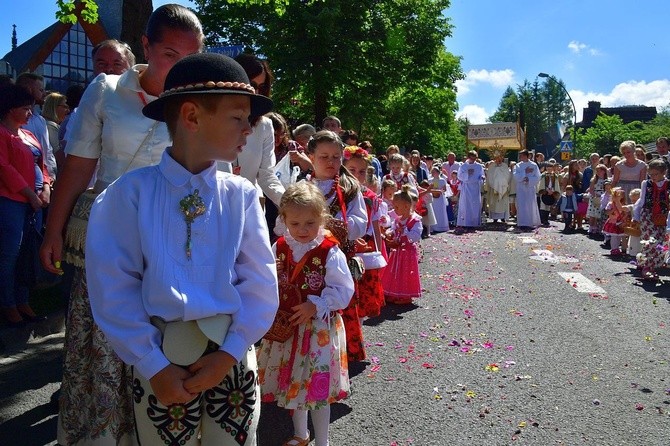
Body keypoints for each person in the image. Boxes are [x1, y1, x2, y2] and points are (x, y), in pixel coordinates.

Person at [86, 52, 277, 445]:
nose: (249, 130)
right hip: (159, 361)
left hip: (231, 358)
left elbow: (259, 281)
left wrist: (230, 353)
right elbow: (113, 286)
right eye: (238, 118)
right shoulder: (128, 196)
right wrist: (152, 363)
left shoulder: (240, 196)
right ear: (191, 117)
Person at [40, 5, 204, 445]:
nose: (181, 65)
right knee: (103, 343)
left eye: (191, 56)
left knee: (165, 341)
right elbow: (78, 166)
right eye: (170, 53)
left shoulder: (200, 99)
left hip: (171, 239)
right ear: (146, 47)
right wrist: (53, 230)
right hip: (110, 235)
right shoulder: (106, 89)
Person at [258, 182, 353, 446]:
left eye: (310, 223)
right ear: (284, 220)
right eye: (296, 223)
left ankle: (323, 441)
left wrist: (317, 304)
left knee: (317, 389)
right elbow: (268, 279)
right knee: (295, 385)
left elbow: (344, 290)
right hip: (288, 328)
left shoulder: (329, 251)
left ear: (321, 219)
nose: (302, 230)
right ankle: (301, 434)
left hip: (317, 331)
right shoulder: (280, 246)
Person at [303, 130, 367, 362]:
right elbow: (284, 222)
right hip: (306, 260)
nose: (331, 162)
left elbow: (361, 222)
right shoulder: (302, 187)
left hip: (337, 259)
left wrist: (340, 227)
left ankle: (338, 358)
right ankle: (306, 357)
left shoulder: (350, 189)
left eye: (336, 157)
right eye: (324, 156)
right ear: (310, 156)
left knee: (339, 305)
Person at [0, 84, 51, 326]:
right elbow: (4, 168)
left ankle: (23, 302)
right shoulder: (1, 134)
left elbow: (42, 165)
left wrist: (46, 188)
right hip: (11, 202)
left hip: (34, 204)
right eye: (25, 108)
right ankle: (8, 305)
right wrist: (30, 193)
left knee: (27, 253)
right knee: (10, 254)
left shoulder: (28, 135)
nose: (30, 113)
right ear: (10, 110)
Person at [217, 53, 284, 211]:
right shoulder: (211, 119)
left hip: (249, 208)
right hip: (214, 205)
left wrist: (290, 202)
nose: (255, 92)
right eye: (251, 84)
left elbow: (266, 175)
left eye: (262, 88)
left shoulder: (265, 126)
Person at [342, 145, 386, 319]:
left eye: (361, 172)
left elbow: (375, 229)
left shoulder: (371, 198)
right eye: (351, 170)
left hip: (364, 250)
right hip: (343, 248)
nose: (356, 176)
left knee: (361, 298)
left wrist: (379, 252)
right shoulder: (338, 193)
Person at [381, 184, 423, 304]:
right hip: (397, 250)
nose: (394, 209)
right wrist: (389, 233)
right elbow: (393, 229)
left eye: (397, 207)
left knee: (405, 273)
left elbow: (415, 236)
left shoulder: (415, 221)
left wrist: (405, 231)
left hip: (407, 252)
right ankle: (393, 292)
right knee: (394, 271)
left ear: (406, 206)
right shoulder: (398, 219)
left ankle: (405, 296)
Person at [632, 159, 669, 281]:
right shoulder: (646, 184)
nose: (652, 177)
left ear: (664, 172)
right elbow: (641, 201)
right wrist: (636, 217)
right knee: (649, 240)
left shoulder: (668, 184)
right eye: (651, 174)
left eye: (655, 174)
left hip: (663, 216)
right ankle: (647, 268)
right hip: (647, 215)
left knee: (660, 241)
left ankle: (652, 264)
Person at [16, 72, 57, 180]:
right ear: (28, 89)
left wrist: (51, 175)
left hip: (44, 179)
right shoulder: (14, 120)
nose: (44, 93)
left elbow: (47, 150)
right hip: (22, 179)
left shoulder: (41, 120)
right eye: (40, 90)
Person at [455, 150, 484, 232]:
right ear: (468, 157)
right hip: (466, 187)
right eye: (471, 159)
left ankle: (474, 223)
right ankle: (465, 223)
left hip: (475, 187)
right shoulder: (463, 166)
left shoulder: (479, 166)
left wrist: (482, 178)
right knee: (466, 205)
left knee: (474, 205)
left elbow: (481, 175)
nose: (473, 161)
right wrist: (467, 173)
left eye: (474, 159)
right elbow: (459, 176)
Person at [513, 149, 541, 229]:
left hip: (530, 188)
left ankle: (530, 222)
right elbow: (515, 175)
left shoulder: (533, 165)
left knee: (529, 204)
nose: (520, 157)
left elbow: (538, 177)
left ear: (526, 156)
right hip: (521, 188)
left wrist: (529, 180)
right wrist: (524, 172)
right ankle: (522, 222)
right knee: (521, 204)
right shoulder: (518, 165)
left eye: (521, 156)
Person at [42, 92, 69, 168]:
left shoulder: (47, 124)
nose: (68, 110)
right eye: (64, 107)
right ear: (53, 107)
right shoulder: (50, 126)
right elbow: (58, 156)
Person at [485, 150, 511, 223]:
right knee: (494, 203)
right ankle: (495, 218)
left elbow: (507, 176)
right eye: (497, 158)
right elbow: (489, 176)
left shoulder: (505, 166)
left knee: (502, 203)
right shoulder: (491, 166)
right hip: (493, 188)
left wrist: (503, 183)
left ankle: (503, 217)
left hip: (503, 187)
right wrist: (493, 184)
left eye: (500, 157)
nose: (498, 159)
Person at [603, 187, 627, 256]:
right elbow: (607, 212)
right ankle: (614, 249)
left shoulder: (623, 204)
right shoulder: (610, 204)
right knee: (613, 236)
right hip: (613, 222)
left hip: (620, 222)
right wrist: (613, 210)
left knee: (618, 236)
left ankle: (617, 248)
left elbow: (625, 213)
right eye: (614, 196)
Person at [586, 164, 608, 238]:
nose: (598, 172)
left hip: (602, 197)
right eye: (597, 171)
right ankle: (591, 228)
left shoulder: (607, 180)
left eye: (600, 171)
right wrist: (595, 195)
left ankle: (597, 228)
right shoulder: (594, 180)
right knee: (593, 214)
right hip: (594, 197)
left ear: (604, 171)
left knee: (599, 214)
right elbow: (591, 189)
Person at [429, 165, 450, 232]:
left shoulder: (442, 180)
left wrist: (440, 191)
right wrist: (434, 192)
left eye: (434, 172)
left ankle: (441, 226)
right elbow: (429, 189)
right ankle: (433, 227)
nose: (433, 173)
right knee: (434, 211)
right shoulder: (430, 180)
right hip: (433, 197)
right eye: (432, 172)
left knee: (441, 211)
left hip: (440, 198)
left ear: (438, 172)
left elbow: (445, 189)